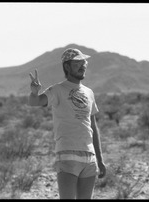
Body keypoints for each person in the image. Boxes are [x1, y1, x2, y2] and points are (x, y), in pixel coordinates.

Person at [28, 48, 106, 199]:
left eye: (84, 62)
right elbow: (34, 102)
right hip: (67, 155)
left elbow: (93, 128)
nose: (83, 65)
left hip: (89, 158)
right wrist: (34, 92)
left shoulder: (89, 93)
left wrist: (100, 159)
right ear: (67, 67)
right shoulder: (57, 90)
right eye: (78, 62)